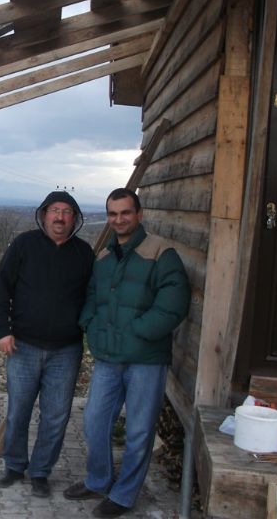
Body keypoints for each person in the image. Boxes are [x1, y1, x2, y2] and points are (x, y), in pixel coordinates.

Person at [63, 188, 190, 517]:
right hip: (108, 357)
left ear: (139, 214)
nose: (119, 219)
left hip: (146, 360)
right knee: (94, 421)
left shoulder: (161, 253)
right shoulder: (104, 257)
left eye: (125, 213)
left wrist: (139, 331)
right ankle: (98, 480)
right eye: (113, 214)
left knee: (139, 430)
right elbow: (92, 297)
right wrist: (90, 325)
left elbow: (174, 303)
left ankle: (124, 494)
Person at [0, 190, 95, 498]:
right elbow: (0, 287)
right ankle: (14, 465)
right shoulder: (24, 245)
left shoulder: (83, 253)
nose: (60, 217)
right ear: (44, 214)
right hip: (22, 346)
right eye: (54, 210)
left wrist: (85, 327)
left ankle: (40, 472)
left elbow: (93, 297)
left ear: (74, 219)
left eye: (66, 211)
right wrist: (3, 330)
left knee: (56, 416)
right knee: (18, 410)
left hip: (66, 350)